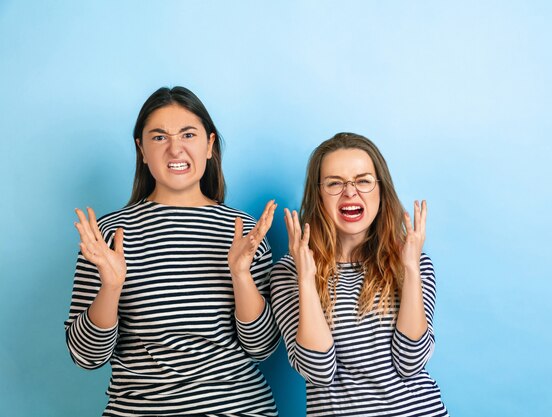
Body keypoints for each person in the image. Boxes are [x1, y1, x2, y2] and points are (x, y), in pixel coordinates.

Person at [65, 86, 280, 416]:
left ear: (209, 145)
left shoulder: (245, 232)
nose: (175, 149)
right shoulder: (107, 236)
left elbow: (262, 347)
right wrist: (110, 287)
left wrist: (240, 276)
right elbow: (86, 357)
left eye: (188, 134)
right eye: (159, 137)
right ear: (141, 149)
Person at [270, 132, 449, 416]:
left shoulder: (415, 263)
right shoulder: (288, 273)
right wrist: (305, 278)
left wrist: (411, 270)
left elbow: (411, 362)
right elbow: (319, 371)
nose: (350, 192)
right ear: (317, 195)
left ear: (381, 189)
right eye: (334, 183)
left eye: (363, 180)